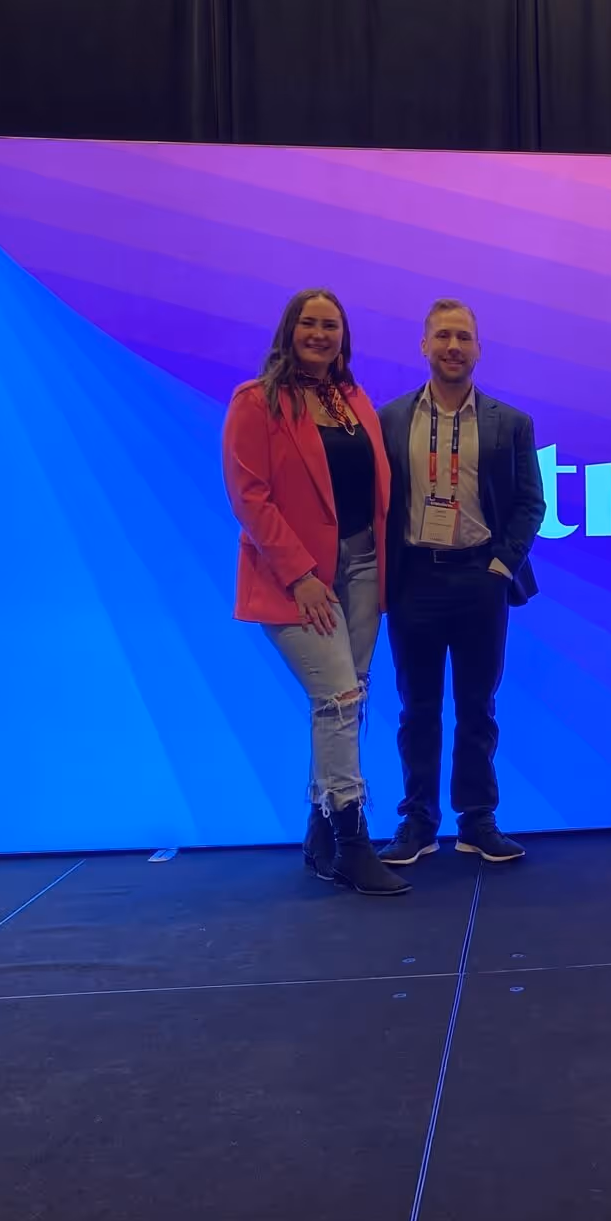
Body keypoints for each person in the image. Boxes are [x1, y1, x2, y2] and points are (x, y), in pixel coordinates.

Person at [221, 288, 409, 896]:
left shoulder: (354, 400)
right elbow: (250, 497)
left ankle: (321, 834)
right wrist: (301, 574)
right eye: (310, 323)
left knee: (347, 700)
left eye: (331, 325)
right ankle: (354, 842)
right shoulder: (258, 401)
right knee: (338, 700)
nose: (320, 334)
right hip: (298, 579)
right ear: (289, 329)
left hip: (361, 568)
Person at [377, 298, 545, 866]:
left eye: (464, 337)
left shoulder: (511, 423)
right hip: (414, 580)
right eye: (443, 336)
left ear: (479, 349)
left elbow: (529, 503)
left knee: (479, 706)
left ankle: (478, 821)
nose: (453, 346)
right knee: (416, 708)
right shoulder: (391, 419)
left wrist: (500, 566)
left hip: (481, 578)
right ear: (423, 345)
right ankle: (418, 823)